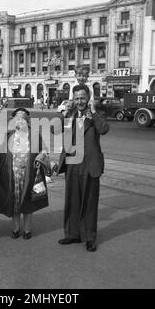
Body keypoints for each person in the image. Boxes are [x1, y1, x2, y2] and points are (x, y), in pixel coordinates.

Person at [56, 84, 109, 252]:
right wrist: (64, 113)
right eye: (77, 98)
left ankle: (89, 238)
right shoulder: (69, 114)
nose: (80, 101)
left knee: (89, 202)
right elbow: (54, 129)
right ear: (73, 99)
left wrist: (93, 112)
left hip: (90, 164)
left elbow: (104, 129)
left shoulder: (96, 115)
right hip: (72, 163)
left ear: (88, 99)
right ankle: (72, 234)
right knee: (72, 200)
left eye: (83, 98)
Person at [0, 108, 49, 240]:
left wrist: (40, 157)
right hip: (12, 174)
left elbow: (44, 150)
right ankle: (16, 228)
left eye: (23, 118)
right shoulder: (8, 135)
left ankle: (27, 230)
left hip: (29, 173)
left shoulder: (35, 135)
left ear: (28, 120)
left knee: (28, 201)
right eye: (17, 118)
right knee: (14, 202)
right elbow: (1, 155)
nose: (20, 121)